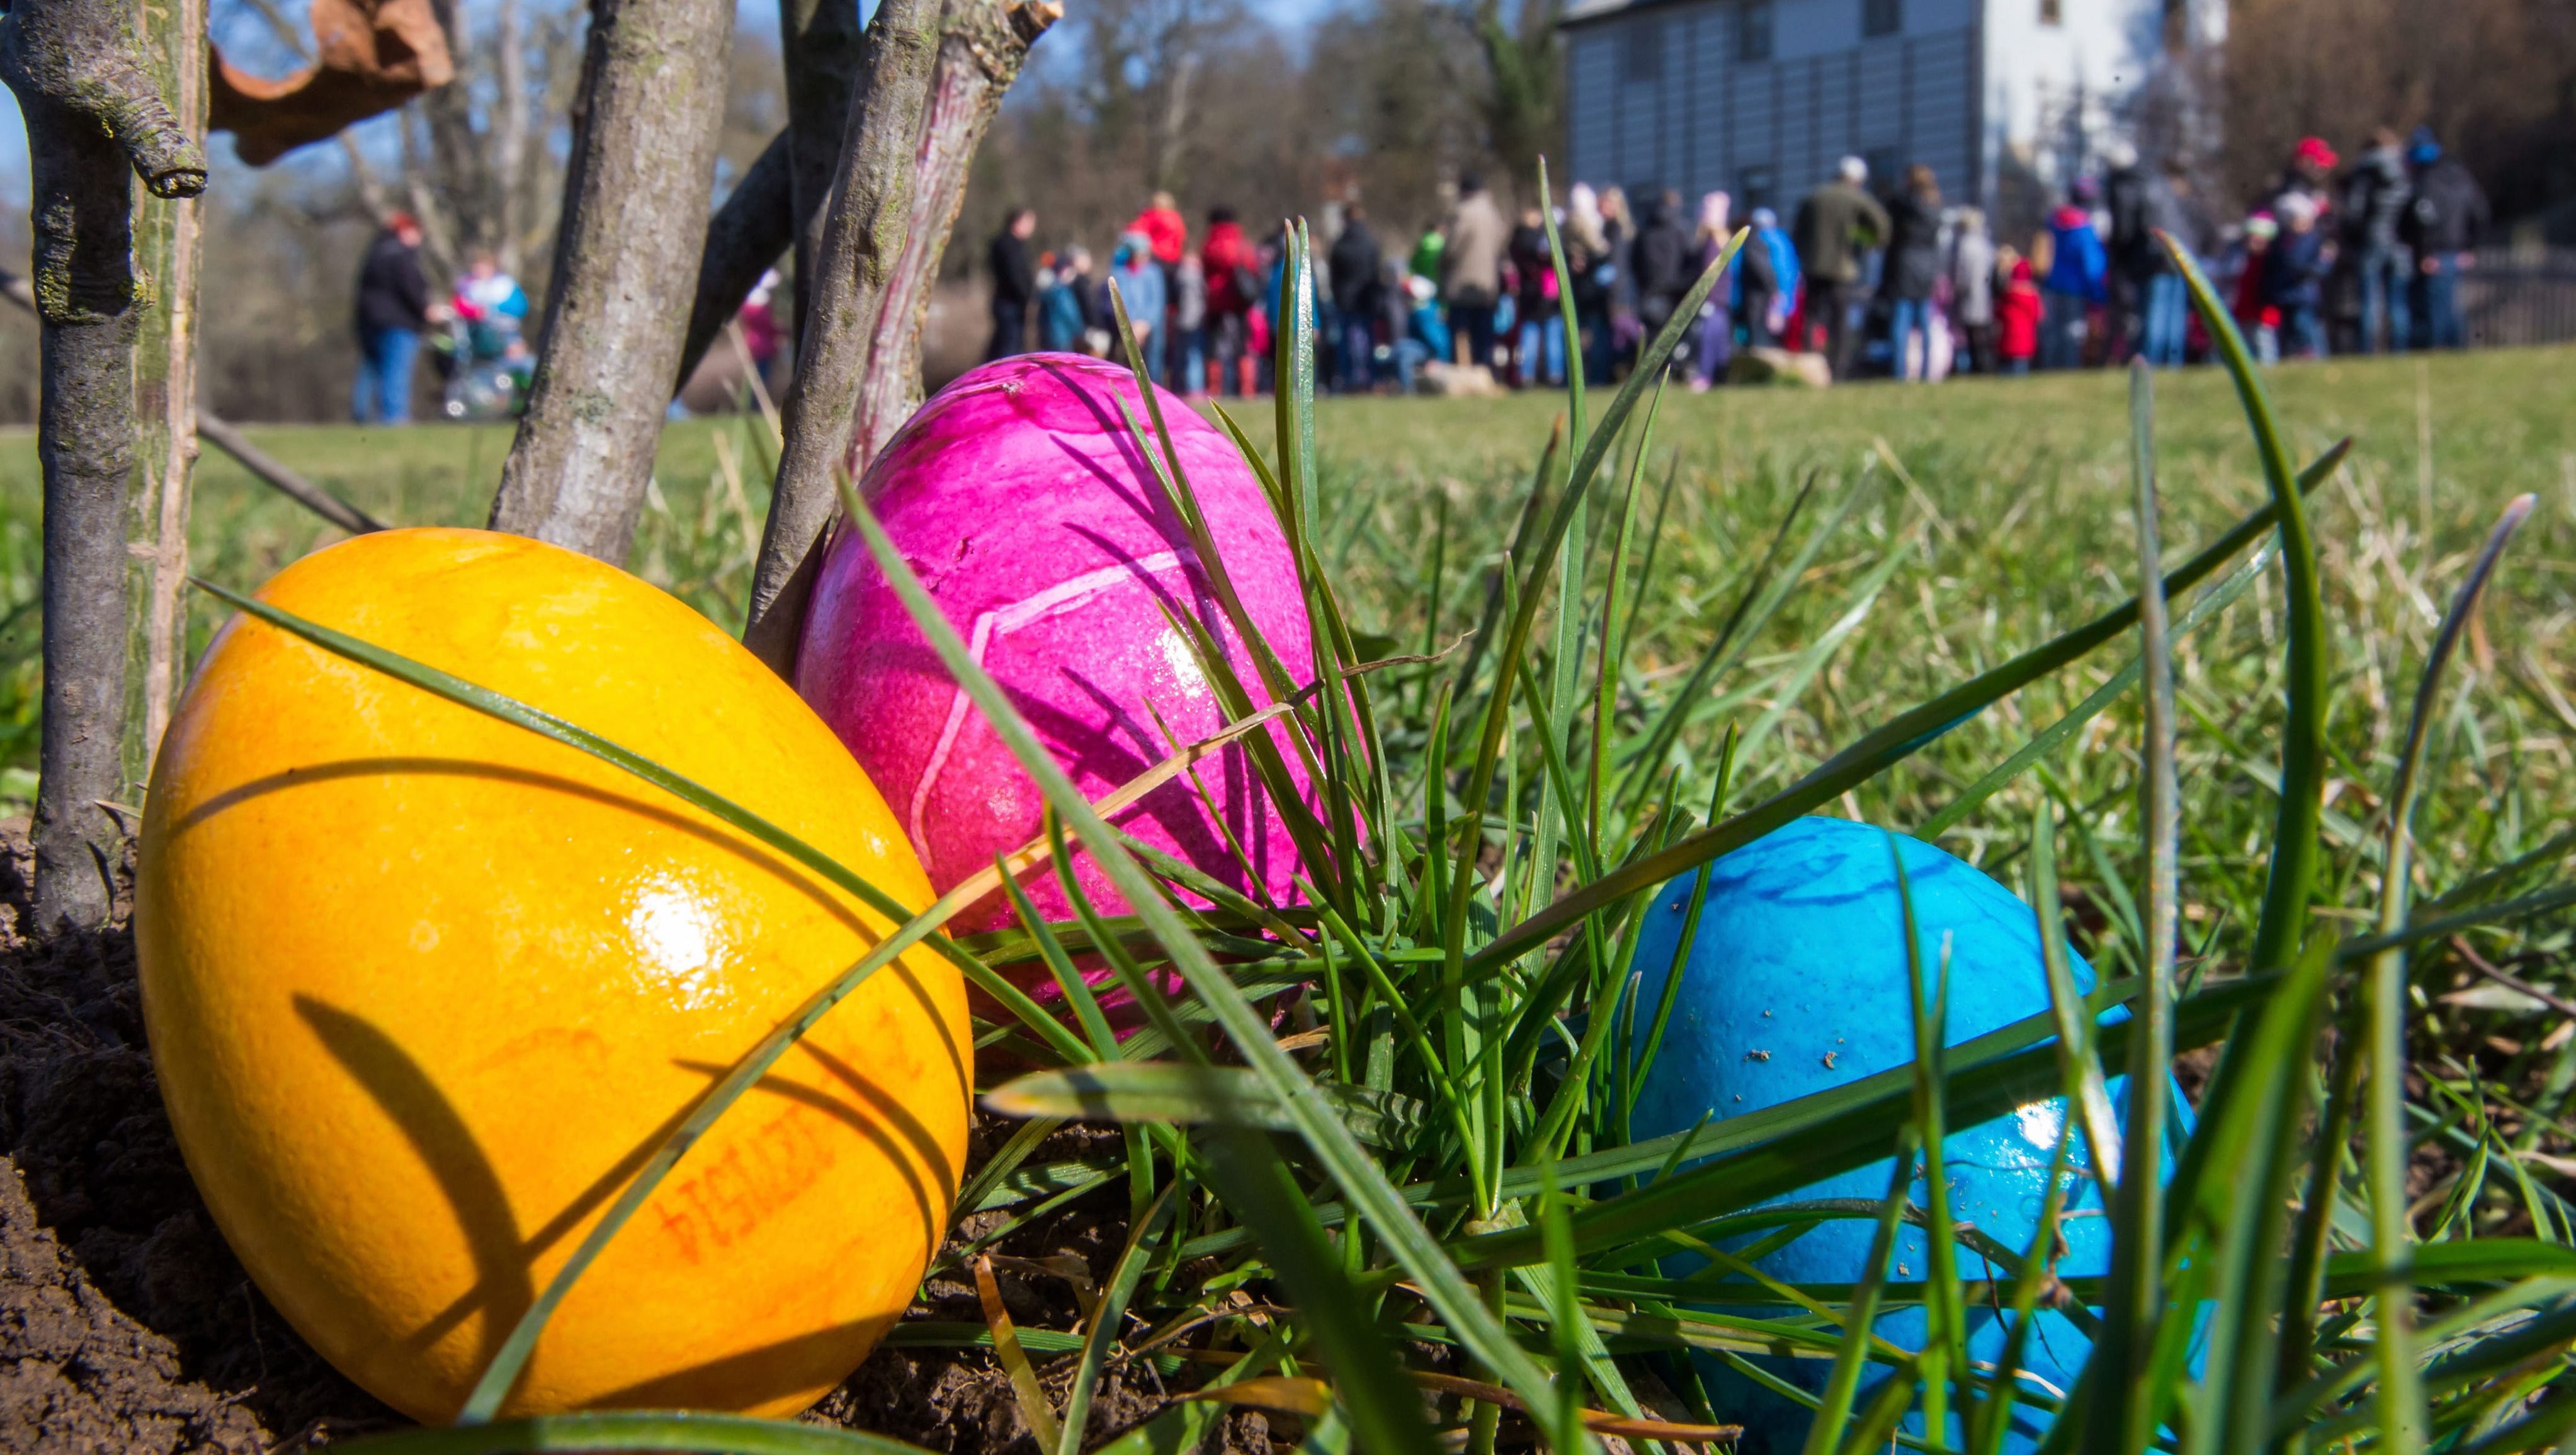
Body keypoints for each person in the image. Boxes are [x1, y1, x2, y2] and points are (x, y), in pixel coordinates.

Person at [1791, 156, 1890, 379]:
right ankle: (1838, 370)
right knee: (1840, 321)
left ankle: (1810, 366)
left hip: (1813, 266)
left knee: (1812, 318)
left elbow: (1797, 232)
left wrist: (1804, 255)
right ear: (1857, 179)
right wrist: (1868, 243)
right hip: (1842, 269)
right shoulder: (1857, 198)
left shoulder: (1814, 197)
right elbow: (1882, 225)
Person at [2402, 126, 2488, 350]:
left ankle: (2436, 351)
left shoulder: (2426, 181)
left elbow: (2424, 220)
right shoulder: (2462, 176)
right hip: (2457, 252)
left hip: (2435, 255)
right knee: (2451, 306)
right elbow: (2480, 214)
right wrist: (2470, 248)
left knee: (2434, 310)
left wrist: (2425, 253)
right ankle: (2456, 351)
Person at [353, 212, 438, 424]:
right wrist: (426, 309)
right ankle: (394, 418)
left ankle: (362, 415)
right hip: (399, 322)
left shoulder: (375, 253)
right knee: (396, 371)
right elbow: (410, 288)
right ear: (405, 231)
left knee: (372, 370)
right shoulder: (402, 256)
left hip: (369, 322)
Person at [2341, 127, 2414, 354]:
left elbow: (2354, 210)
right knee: (2398, 303)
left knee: (2369, 300)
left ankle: (2367, 350)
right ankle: (2399, 350)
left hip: (2372, 238)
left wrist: (2351, 237)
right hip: (2400, 241)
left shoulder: (2364, 171)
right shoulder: (2405, 170)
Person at [2133, 158, 2208, 367]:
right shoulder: (2168, 197)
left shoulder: (2164, 196)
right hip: (2171, 261)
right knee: (2166, 316)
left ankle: (2161, 362)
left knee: (2164, 316)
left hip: (2167, 261)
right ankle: (2164, 362)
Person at [1441, 173, 1507, 371]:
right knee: (1484, 333)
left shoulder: (1463, 212)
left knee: (1459, 332)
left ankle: (1462, 371)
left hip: (1462, 283)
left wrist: (1442, 262)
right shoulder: (1494, 213)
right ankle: (1485, 371)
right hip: (1487, 283)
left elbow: (1452, 247)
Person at [2039, 179, 2108, 370]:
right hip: (2075, 288)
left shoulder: (2054, 221)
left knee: (2052, 330)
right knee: (2072, 331)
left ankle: (2049, 366)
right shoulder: (2084, 229)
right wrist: (2098, 293)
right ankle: (2068, 367)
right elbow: (2092, 264)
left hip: (2052, 283)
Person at [1883, 166, 1943, 382]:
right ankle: (1927, 371)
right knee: (1925, 323)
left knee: (1901, 322)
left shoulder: (1901, 204)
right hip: (1927, 268)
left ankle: (1899, 372)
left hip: (1904, 266)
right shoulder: (1934, 206)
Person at [2265, 193, 2332, 360]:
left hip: (2303, 295)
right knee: (2289, 331)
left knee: (2304, 326)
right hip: (2286, 295)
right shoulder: (2281, 241)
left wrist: (2308, 270)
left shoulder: (2313, 239)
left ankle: (2313, 354)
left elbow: (2320, 265)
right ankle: (2294, 354)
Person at [1202, 207, 1257, 395]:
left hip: (1217, 302)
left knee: (1215, 348)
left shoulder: (1212, 243)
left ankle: (1214, 388)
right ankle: (1247, 388)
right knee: (1242, 345)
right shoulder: (1243, 243)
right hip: (1240, 302)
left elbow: (1207, 265)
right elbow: (1252, 265)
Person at [1329, 204, 1384, 392]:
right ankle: (1369, 377)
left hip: (1346, 300)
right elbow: (1376, 275)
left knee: (1347, 341)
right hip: (1366, 300)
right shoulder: (1371, 244)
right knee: (1366, 340)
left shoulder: (1340, 245)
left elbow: (1334, 276)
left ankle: (1349, 378)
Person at [1506, 207, 1562, 387]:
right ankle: (1555, 374)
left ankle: (1526, 374)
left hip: (1528, 295)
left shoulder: (1515, 240)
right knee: (1551, 336)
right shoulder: (1536, 239)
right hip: (1544, 294)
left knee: (1529, 336)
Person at [1564, 185, 1613, 385]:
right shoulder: (1590, 224)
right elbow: (1601, 251)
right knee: (1595, 336)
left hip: (1579, 290)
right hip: (1592, 291)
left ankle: (1578, 376)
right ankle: (1596, 376)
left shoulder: (1566, 225)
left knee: (1578, 335)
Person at [451, 249, 530, 365]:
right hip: (475, 332)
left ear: (491, 267)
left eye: (483, 266)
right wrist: (476, 312)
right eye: (477, 266)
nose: (479, 270)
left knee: (516, 355)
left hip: (505, 330)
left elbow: (521, 307)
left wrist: (495, 308)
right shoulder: (466, 285)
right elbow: (459, 306)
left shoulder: (504, 284)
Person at [1688, 191, 1733, 390]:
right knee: (1719, 341)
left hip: (1711, 299)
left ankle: (1705, 376)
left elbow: (1709, 273)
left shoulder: (1711, 242)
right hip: (1721, 299)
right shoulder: (1724, 240)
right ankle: (1719, 377)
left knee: (1707, 339)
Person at [1735, 206, 1798, 349]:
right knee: (1773, 336)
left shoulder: (1757, 239)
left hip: (1760, 294)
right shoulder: (1782, 238)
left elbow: (1761, 267)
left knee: (1758, 336)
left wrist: (1773, 288)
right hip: (1781, 295)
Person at [1109, 232, 1166, 379]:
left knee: (1153, 363)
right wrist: (1130, 324)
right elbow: (1120, 299)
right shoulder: (1120, 273)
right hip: (1129, 325)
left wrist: (1145, 324)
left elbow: (1157, 302)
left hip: (1151, 327)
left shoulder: (1154, 273)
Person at [1948, 207, 1995, 375]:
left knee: (1972, 336)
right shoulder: (1985, 242)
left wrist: (1957, 289)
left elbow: (1961, 273)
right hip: (1983, 293)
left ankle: (1977, 369)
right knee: (1982, 335)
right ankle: (1985, 368)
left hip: (1969, 295)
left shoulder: (1964, 244)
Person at [986, 208, 1037, 361]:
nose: (1032, 227)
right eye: (1029, 222)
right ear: (1018, 222)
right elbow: (1015, 276)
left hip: (1010, 303)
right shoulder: (1008, 246)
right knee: (1009, 349)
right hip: (1010, 304)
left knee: (1005, 345)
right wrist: (1027, 297)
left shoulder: (1013, 245)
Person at [2232, 213, 2281, 363]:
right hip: (2245, 311)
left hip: (2263, 314)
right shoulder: (2244, 260)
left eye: (2259, 240)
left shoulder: (2271, 262)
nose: (2254, 243)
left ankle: (2269, 368)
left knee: (2265, 344)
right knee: (2246, 345)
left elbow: (2270, 288)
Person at [1038, 246, 1094, 354]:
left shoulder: (1050, 289)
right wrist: (1081, 331)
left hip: (1051, 337)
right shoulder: (1061, 290)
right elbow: (1069, 314)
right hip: (1063, 338)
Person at [1995, 250, 2040, 375]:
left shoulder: (2008, 296)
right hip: (2026, 345)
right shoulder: (2032, 297)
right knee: (2021, 372)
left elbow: (1998, 314)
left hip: (2007, 344)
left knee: (2006, 373)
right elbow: (2038, 315)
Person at [1173, 252, 1210, 397]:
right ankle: (1195, 387)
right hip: (1194, 320)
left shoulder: (1179, 277)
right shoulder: (1195, 277)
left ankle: (1180, 385)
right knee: (1194, 355)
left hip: (1182, 320)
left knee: (1181, 355)